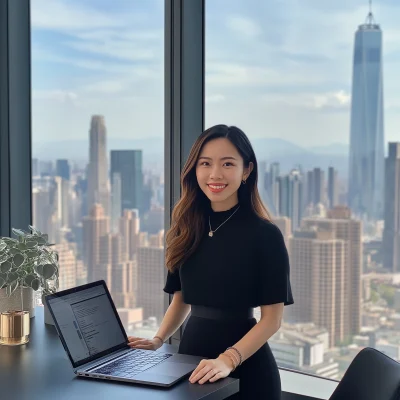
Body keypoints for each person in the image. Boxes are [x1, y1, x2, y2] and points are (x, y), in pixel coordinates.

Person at [127, 124, 294, 399]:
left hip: (247, 371)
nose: (215, 174)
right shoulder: (186, 227)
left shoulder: (265, 235)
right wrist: (158, 339)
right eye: (205, 163)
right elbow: (182, 298)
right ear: (195, 169)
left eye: (228, 164)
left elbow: (272, 320)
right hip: (191, 361)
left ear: (247, 170)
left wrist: (228, 360)